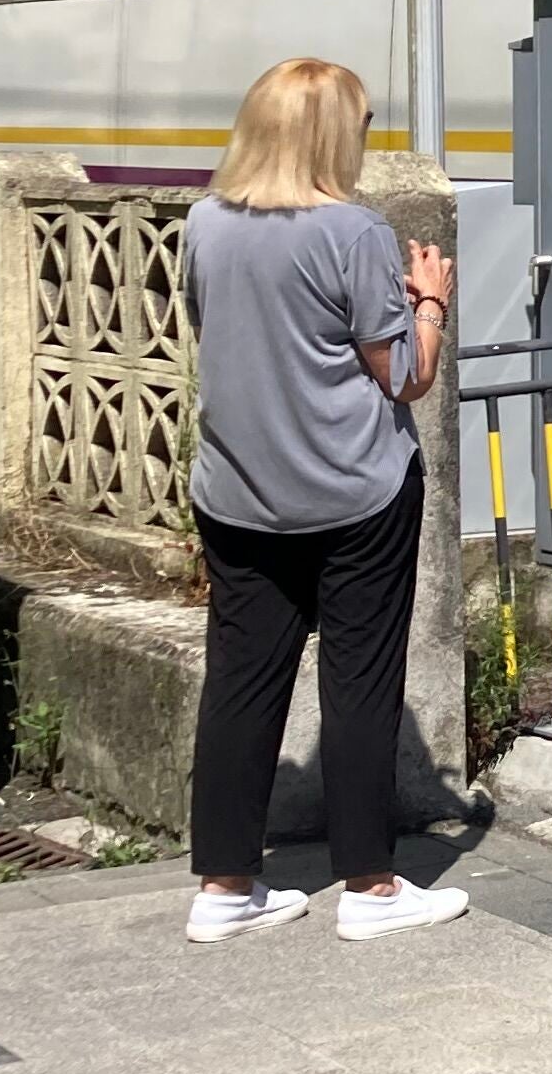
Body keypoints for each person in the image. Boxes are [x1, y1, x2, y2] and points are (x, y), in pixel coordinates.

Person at [180, 57, 468, 945]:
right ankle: (372, 890)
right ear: (334, 135)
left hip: (237, 493)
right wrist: (430, 303)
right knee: (360, 682)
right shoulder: (355, 233)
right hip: (356, 492)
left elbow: (210, 331)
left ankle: (225, 887)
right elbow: (405, 381)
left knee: (240, 680)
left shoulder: (203, 222)